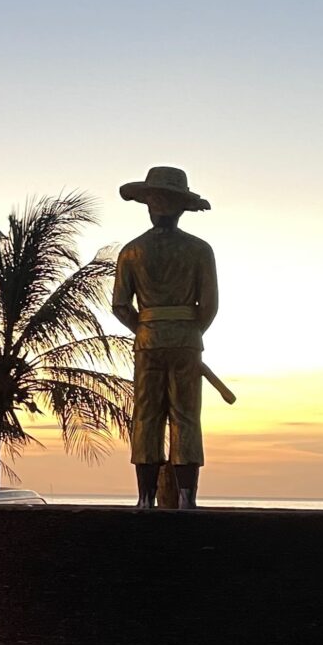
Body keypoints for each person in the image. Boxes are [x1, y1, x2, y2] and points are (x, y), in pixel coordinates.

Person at [112, 166, 218, 509]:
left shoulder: (131, 250)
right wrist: (189, 332)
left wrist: (146, 329)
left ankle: (145, 499)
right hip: (186, 339)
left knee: (146, 415)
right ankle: (187, 499)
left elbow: (120, 305)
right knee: (186, 416)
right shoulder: (200, 249)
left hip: (148, 341)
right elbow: (210, 305)